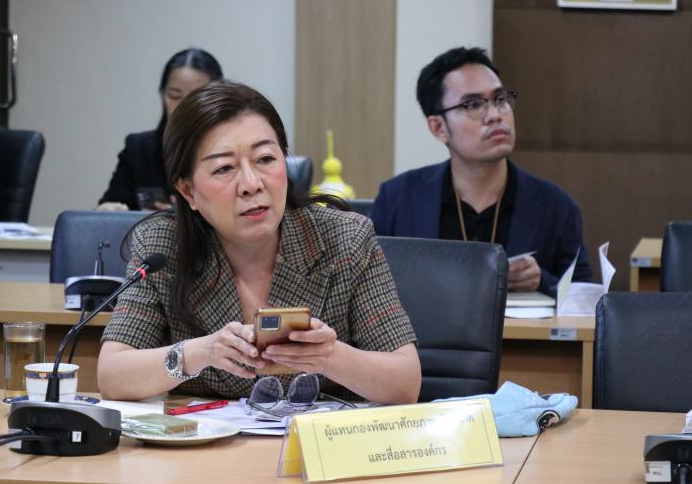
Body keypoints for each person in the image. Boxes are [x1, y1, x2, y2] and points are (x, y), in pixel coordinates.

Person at [98, 81, 420, 404]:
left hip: (316, 435)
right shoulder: (164, 246)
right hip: (205, 437)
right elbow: (112, 375)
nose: (251, 184)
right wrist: (201, 352)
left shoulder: (345, 239)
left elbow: (406, 382)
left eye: (265, 159)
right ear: (188, 191)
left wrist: (330, 356)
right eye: (224, 168)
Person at [370, 47, 592, 295]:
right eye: (473, 104)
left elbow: (586, 300)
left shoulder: (556, 206)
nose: (495, 115)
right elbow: (367, 290)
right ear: (439, 128)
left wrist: (542, 281)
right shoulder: (397, 199)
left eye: (500, 100)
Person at [97, 48, 222, 211]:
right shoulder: (138, 149)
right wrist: (108, 211)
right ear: (162, 94)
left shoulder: (231, 150)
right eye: (175, 96)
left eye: (195, 97)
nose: (183, 106)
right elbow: (111, 205)